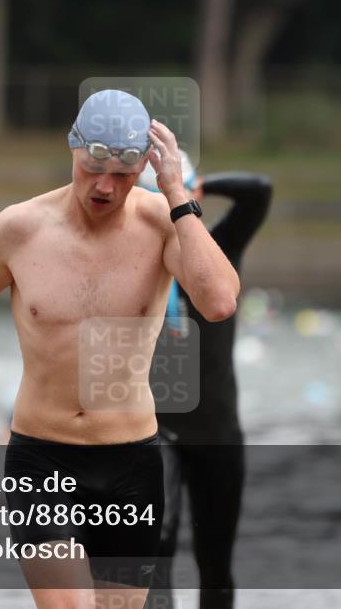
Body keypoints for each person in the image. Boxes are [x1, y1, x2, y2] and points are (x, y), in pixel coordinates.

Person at [0, 88, 241, 609]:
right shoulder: (19, 228)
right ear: (72, 148)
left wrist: (176, 197)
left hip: (131, 462)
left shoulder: (162, 224)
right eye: (93, 166)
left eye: (122, 172)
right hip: (41, 454)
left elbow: (220, 302)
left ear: (143, 165)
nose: (104, 185)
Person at [140, 152, 272, 609]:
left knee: (215, 563)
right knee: (155, 553)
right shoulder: (130, 265)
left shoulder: (218, 251)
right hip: (153, 432)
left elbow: (259, 191)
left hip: (217, 433)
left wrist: (192, 184)